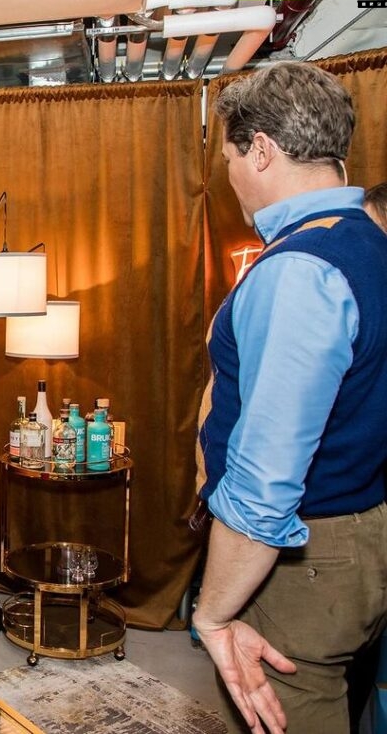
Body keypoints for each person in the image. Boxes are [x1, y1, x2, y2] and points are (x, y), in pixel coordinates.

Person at [192, 62, 387, 734]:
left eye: (230, 156)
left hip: (301, 556)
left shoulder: (301, 270)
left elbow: (267, 475)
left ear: (264, 149)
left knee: (284, 715)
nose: (230, 175)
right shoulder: (366, 239)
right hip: (359, 523)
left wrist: (212, 612)